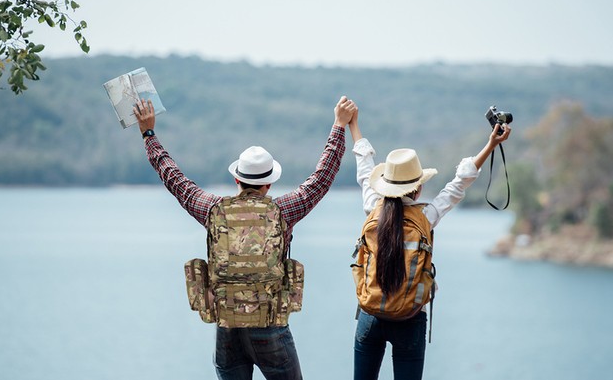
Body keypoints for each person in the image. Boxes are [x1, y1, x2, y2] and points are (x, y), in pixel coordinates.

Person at [133, 96, 357, 380]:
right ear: (269, 183)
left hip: (227, 329)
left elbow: (174, 178)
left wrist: (148, 133)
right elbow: (322, 177)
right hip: (270, 328)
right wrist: (339, 125)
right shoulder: (283, 211)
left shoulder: (213, 210)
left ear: (237, 179)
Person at [347, 109, 511, 380]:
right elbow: (459, 184)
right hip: (409, 318)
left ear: (385, 185)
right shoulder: (425, 217)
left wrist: (354, 126)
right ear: (418, 188)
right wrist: (492, 144)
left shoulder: (372, 208)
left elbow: (364, 170)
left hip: (370, 313)